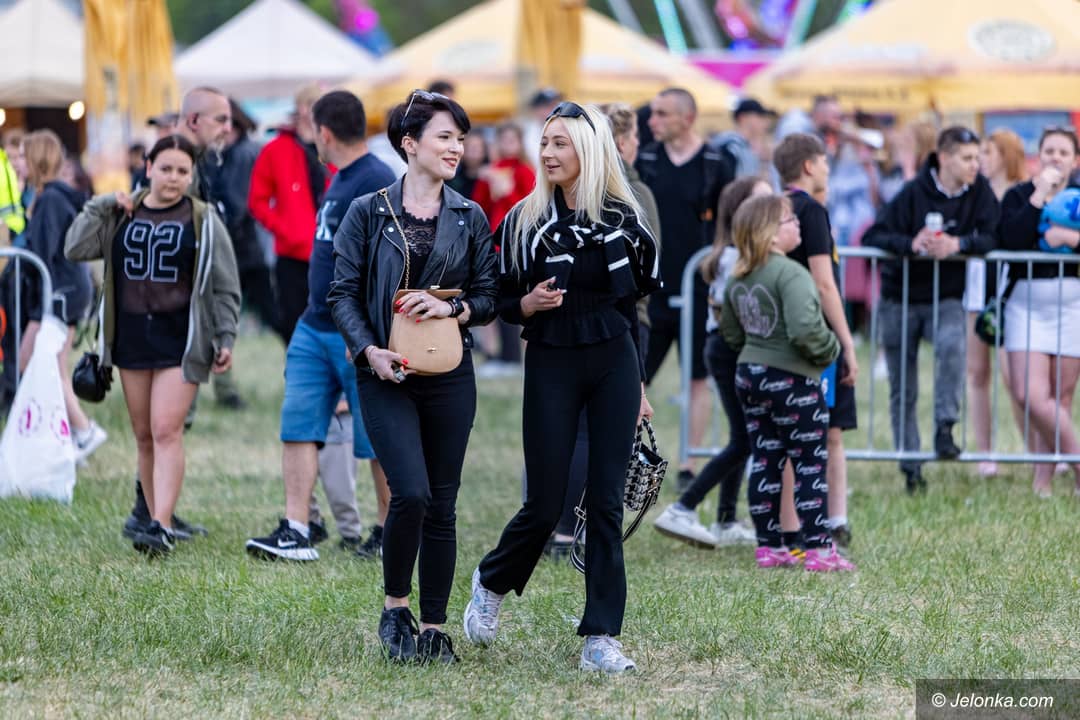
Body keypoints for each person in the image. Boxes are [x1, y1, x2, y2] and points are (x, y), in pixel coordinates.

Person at [463, 102, 660, 674]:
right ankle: (492, 581)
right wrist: (527, 303)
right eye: (544, 143)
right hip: (551, 358)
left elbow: (633, 307)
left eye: (560, 144)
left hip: (614, 359)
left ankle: (601, 638)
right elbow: (497, 299)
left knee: (605, 502)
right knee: (546, 503)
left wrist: (639, 382)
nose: (547, 153)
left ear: (589, 151)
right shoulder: (523, 222)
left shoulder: (627, 220)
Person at [328, 90, 498, 664]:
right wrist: (368, 350)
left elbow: (489, 296)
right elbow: (342, 294)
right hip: (385, 373)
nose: (456, 148)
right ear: (410, 143)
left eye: (460, 139)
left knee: (443, 504)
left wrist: (452, 307)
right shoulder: (367, 211)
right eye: (445, 137)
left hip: (450, 373)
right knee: (412, 493)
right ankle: (395, 609)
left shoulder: (469, 215)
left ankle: (433, 627)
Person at [65, 134, 240, 554]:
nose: (174, 178)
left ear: (191, 175)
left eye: (183, 171)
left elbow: (225, 285)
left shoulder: (203, 219)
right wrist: (102, 203)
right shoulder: (122, 211)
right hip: (130, 338)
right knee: (144, 435)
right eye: (166, 169)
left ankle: (161, 525)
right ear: (148, 168)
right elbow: (75, 247)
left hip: (181, 339)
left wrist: (225, 335)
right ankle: (149, 516)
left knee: (166, 430)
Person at [246, 90, 396, 563]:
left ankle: (388, 530)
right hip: (313, 324)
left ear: (324, 132)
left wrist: (364, 333)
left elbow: (386, 265)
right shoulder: (341, 177)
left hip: (353, 332)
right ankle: (297, 528)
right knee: (298, 425)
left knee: (376, 437)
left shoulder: (376, 180)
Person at [540, 101, 664, 559]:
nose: (549, 153)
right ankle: (567, 527)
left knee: (578, 432)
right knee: (588, 433)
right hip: (618, 323)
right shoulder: (631, 195)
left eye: (559, 142)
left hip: (606, 323)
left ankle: (567, 526)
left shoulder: (615, 200)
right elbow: (649, 263)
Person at [719, 194, 853, 572]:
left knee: (765, 460)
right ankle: (819, 550)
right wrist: (833, 350)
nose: (797, 225)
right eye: (789, 221)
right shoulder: (792, 274)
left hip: (750, 375)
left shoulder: (740, 276)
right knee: (809, 463)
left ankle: (769, 546)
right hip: (793, 379)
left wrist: (759, 348)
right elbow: (805, 329)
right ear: (771, 234)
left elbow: (731, 331)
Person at [863, 127, 1000, 492]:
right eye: (967, 158)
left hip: (947, 296)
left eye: (977, 158)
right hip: (900, 298)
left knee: (954, 346)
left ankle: (945, 427)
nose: (975, 165)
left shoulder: (980, 191)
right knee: (902, 387)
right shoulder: (912, 192)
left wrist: (960, 244)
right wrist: (911, 244)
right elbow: (873, 236)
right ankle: (911, 466)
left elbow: (994, 235)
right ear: (944, 158)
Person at [654, 176, 769, 548]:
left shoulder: (738, 253)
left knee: (743, 435)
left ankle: (725, 519)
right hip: (727, 349)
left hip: (729, 347)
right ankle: (683, 507)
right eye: (762, 201)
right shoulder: (736, 257)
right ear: (740, 212)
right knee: (744, 438)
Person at [636, 87, 735, 492]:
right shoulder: (645, 160)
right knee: (637, 377)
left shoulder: (716, 163)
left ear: (688, 118)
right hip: (651, 290)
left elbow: (730, 220)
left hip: (698, 290)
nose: (653, 121)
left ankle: (689, 463)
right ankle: (626, 455)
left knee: (697, 377)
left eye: (662, 114)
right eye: (653, 113)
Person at [773, 133, 858, 550]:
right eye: (824, 161)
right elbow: (825, 284)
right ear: (809, 165)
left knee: (819, 431)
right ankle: (808, 529)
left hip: (782, 335)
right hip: (817, 339)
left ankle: (823, 523)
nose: (827, 168)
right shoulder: (810, 210)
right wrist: (847, 342)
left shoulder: (775, 207)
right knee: (816, 433)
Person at [998, 126, 1080, 498]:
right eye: (1049, 151)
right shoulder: (1018, 195)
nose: (1055, 158)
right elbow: (1011, 239)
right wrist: (1038, 196)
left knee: (1061, 398)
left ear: (1075, 160)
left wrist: (1071, 239)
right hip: (1027, 304)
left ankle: (1043, 482)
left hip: (1072, 304)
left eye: (1063, 152)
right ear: (1039, 155)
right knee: (1030, 395)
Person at [17, 130, 106, 464]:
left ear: (37, 159)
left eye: (23, 156)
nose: (18, 163)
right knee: (45, 362)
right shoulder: (49, 197)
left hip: (58, 294)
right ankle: (69, 432)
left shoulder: (51, 200)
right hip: (63, 291)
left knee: (41, 361)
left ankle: (82, 430)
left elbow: (43, 253)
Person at [248, 84, 329, 345]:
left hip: (331, 252)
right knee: (295, 327)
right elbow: (257, 201)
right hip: (293, 255)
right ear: (302, 109)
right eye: (315, 104)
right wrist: (285, 230)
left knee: (334, 328)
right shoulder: (276, 150)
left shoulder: (334, 147)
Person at [969, 129, 1028, 477]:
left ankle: (1036, 450)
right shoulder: (975, 194)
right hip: (976, 288)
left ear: (1005, 155)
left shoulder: (1021, 194)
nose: (981, 160)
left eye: (987, 152)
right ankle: (985, 453)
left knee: (1015, 378)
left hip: (1010, 291)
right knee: (977, 372)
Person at [209, 99, 277, 336]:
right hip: (247, 244)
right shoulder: (237, 152)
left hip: (245, 245)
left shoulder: (241, 154)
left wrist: (224, 232)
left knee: (267, 308)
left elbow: (238, 202)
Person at [472, 122, 535, 376]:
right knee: (496, 299)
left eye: (512, 140)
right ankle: (501, 355)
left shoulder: (525, 171)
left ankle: (512, 357)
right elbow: (479, 204)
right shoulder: (494, 170)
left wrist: (505, 191)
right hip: (495, 244)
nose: (507, 145)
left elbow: (527, 208)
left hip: (517, 244)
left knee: (512, 297)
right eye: (503, 140)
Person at [710, 98, 778, 182]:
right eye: (760, 116)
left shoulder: (744, 146)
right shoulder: (731, 146)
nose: (766, 122)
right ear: (743, 117)